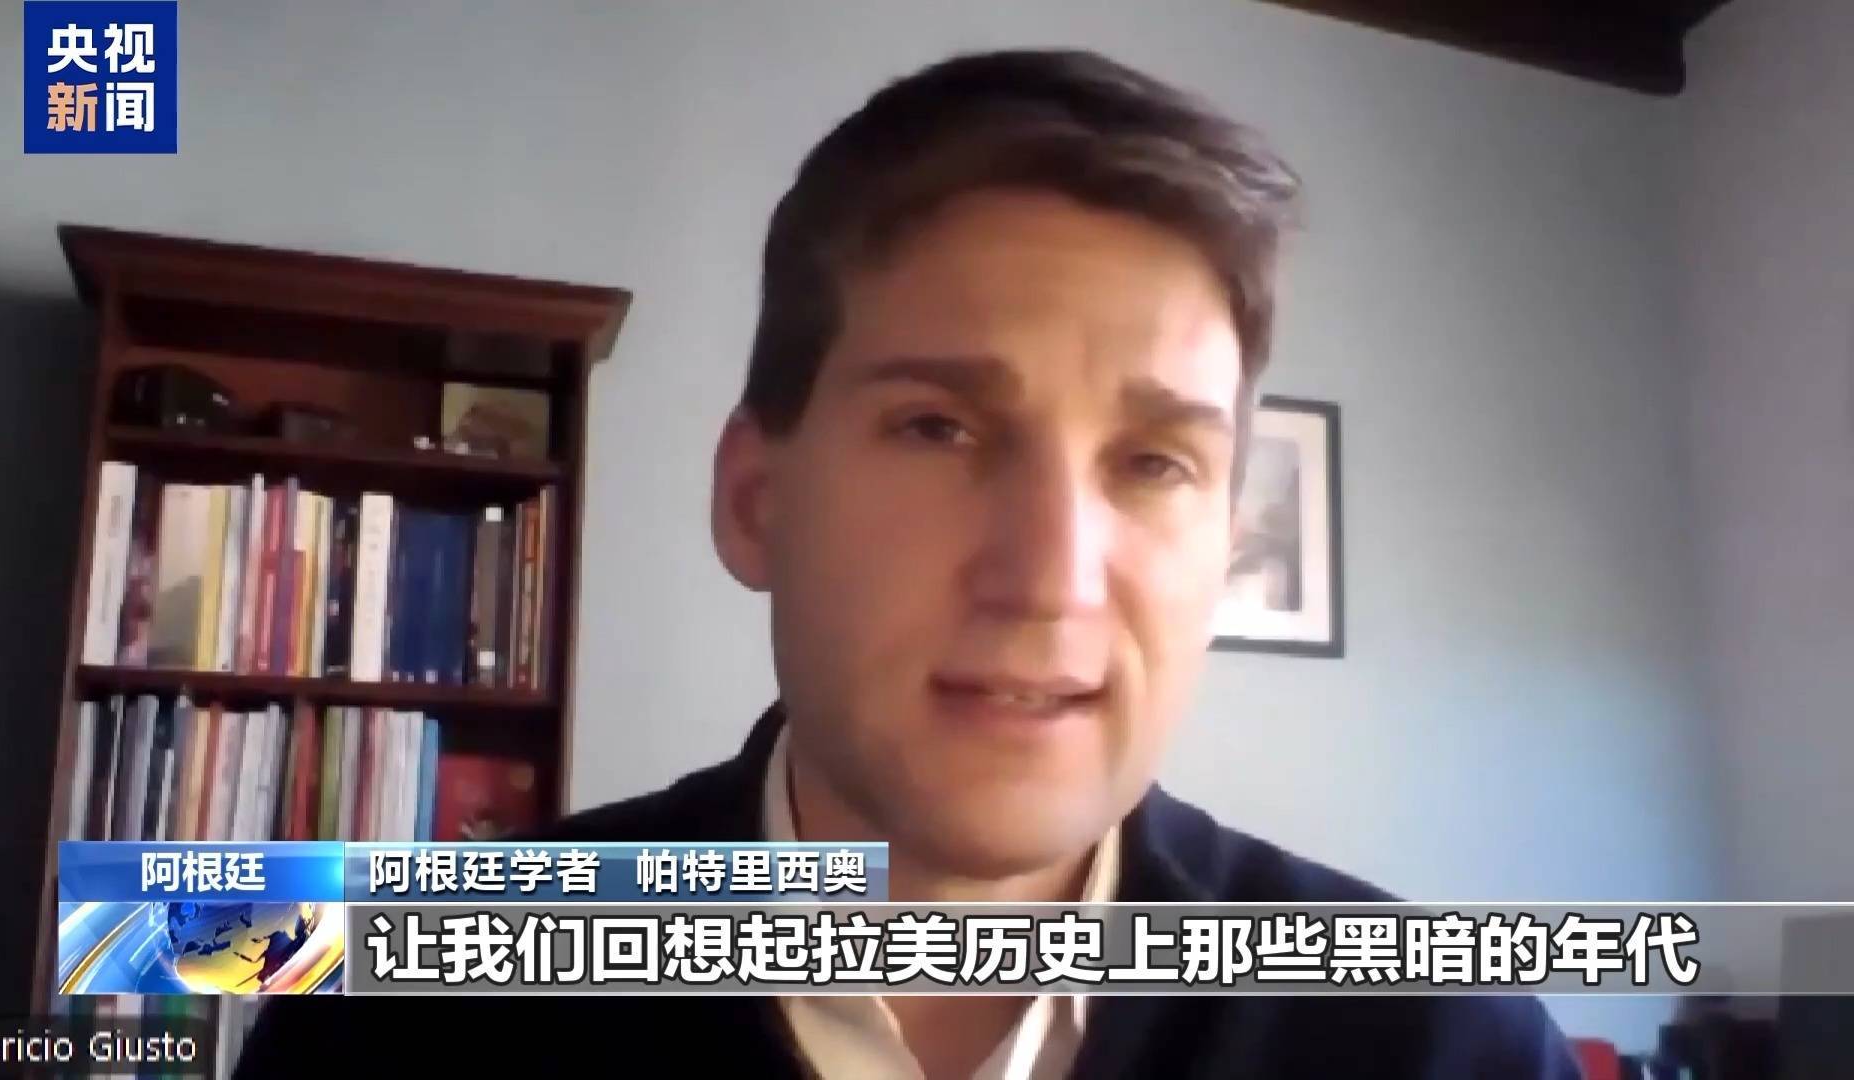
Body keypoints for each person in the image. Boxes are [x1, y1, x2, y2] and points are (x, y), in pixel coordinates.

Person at [235, 47, 1581, 1078]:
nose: (1051, 578)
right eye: (940, 429)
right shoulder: (393, 1016)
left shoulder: (1441, 1043)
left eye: (1154, 462)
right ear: (757, 501)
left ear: (1225, 549)